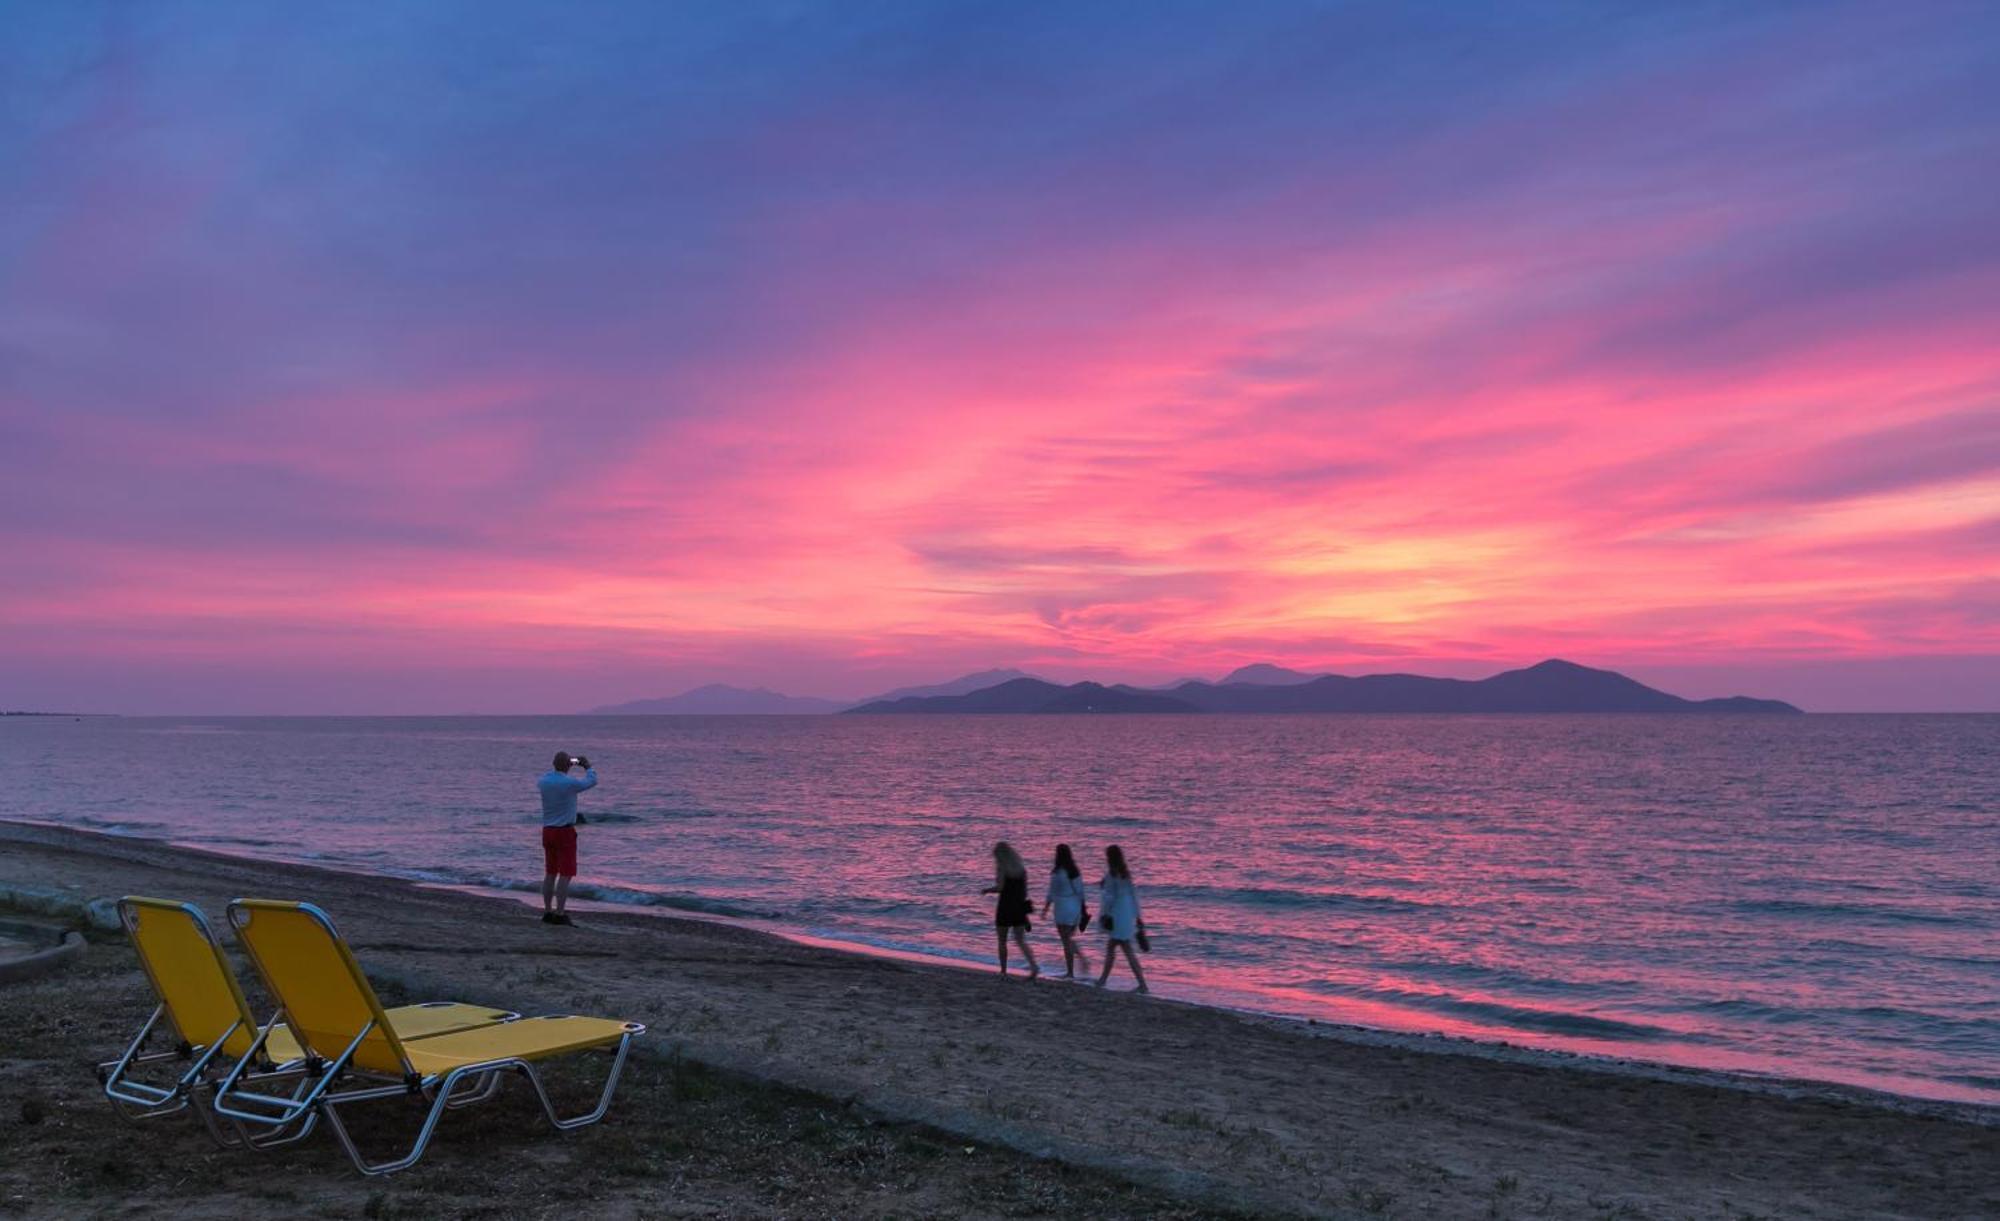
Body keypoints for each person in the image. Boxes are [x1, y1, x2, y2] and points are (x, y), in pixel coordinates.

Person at [537, 750, 596, 926]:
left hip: (548, 830)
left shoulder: (543, 781)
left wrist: (563, 763)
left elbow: (552, 774)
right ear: (569, 765)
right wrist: (587, 766)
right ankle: (560, 913)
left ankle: (547, 911)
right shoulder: (569, 783)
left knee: (550, 872)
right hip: (564, 832)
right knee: (565, 874)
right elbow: (592, 781)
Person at [981, 841, 1039, 978]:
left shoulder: (1002, 868)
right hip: (1019, 907)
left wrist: (987, 890)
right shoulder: (1021, 869)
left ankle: (1003, 970)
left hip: (1005, 906)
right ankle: (1033, 966)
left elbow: (1000, 888)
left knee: (1002, 940)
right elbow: (1024, 892)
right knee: (1020, 940)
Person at [1094, 843, 1148, 992]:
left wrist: (1105, 913)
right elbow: (1133, 896)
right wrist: (1138, 916)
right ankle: (1104, 979)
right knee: (1119, 947)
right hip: (1127, 913)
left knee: (1120, 948)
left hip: (1117, 914)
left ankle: (1141, 984)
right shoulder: (1126, 873)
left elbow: (1109, 898)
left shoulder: (1110, 875)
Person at [1042, 843, 1091, 979]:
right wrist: (1083, 909)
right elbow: (1080, 891)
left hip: (1061, 907)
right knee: (1068, 938)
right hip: (1073, 906)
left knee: (1066, 940)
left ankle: (1074, 967)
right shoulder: (1074, 871)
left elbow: (1051, 892)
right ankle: (1076, 965)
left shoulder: (1056, 872)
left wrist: (1045, 909)